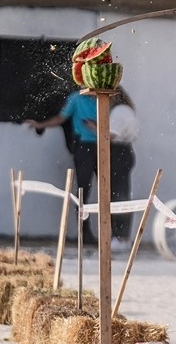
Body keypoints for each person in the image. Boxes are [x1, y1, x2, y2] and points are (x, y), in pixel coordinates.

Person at [24, 88, 138, 251]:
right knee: (84, 188)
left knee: (109, 190)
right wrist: (41, 125)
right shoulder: (76, 99)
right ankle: (85, 233)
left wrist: (97, 127)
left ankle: (113, 234)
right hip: (85, 146)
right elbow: (62, 118)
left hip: (105, 146)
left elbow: (112, 126)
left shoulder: (105, 99)